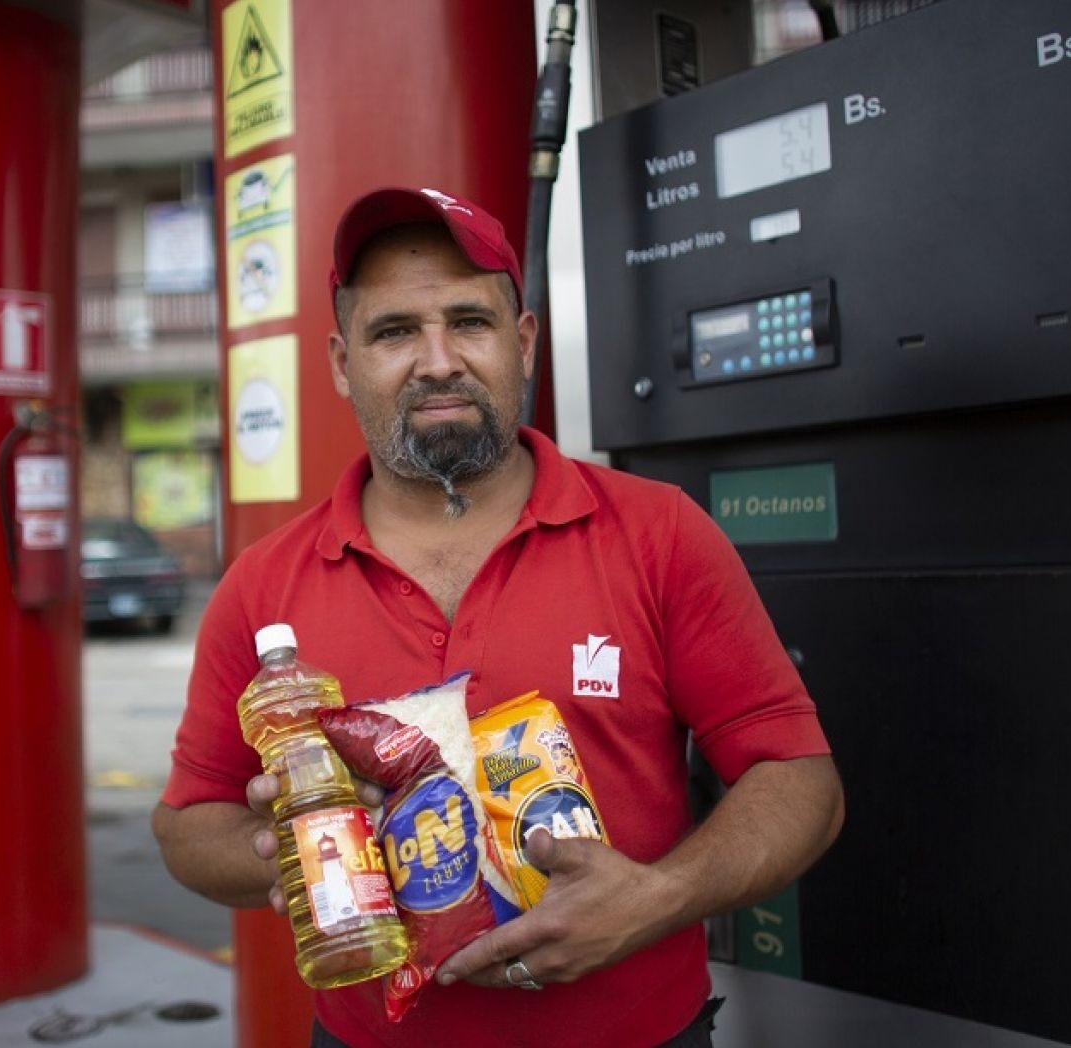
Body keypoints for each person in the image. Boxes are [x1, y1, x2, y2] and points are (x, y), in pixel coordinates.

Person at [153, 185, 844, 1048]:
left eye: (469, 322)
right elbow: (187, 826)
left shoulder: (659, 534)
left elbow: (800, 779)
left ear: (522, 344)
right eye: (394, 331)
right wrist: (285, 843)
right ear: (340, 363)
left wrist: (656, 899)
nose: (437, 360)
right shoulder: (263, 585)